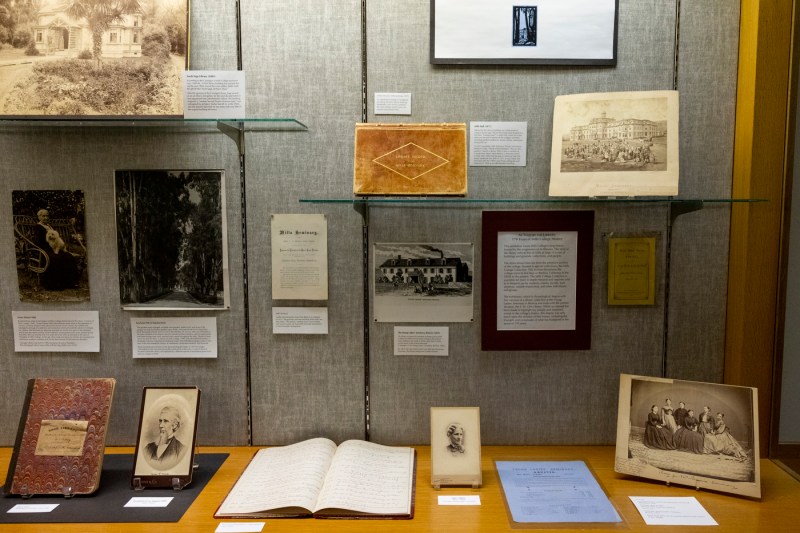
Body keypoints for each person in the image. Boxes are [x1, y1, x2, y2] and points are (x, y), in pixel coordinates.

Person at [32, 209, 79, 290]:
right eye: (43, 216)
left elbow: (56, 238)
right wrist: (51, 246)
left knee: (68, 256)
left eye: (47, 216)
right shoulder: (38, 227)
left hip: (54, 247)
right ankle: (54, 285)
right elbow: (39, 241)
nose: (46, 217)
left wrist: (58, 246)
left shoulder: (49, 226)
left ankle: (69, 283)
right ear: (39, 217)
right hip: (44, 249)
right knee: (55, 258)